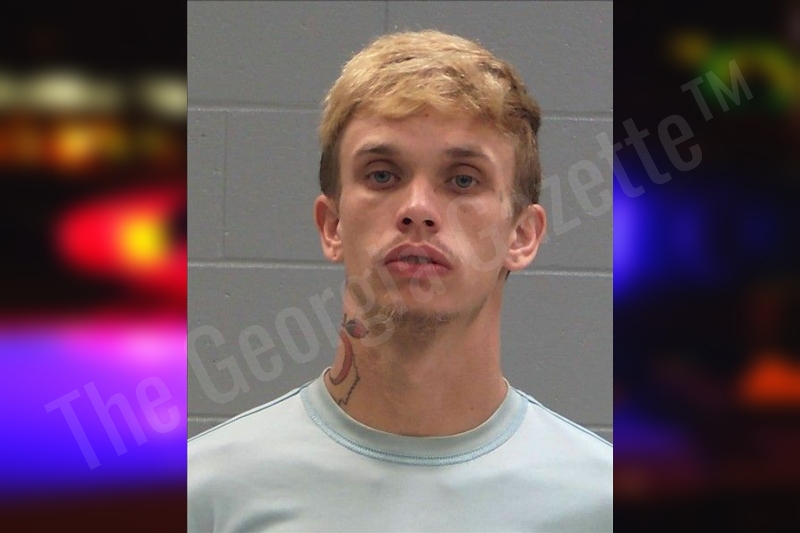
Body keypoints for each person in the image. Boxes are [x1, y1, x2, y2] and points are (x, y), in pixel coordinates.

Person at [188, 30, 612, 532]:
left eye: (463, 179)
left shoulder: (599, 501)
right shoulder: (206, 493)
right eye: (382, 175)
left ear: (521, 236)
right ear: (332, 225)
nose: (417, 209)